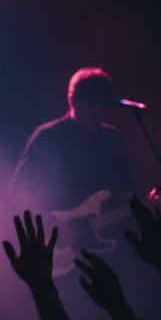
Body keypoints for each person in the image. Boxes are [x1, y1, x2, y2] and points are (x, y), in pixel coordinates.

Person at [10, 67, 135, 213]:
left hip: (105, 231)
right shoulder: (48, 136)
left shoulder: (113, 138)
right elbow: (19, 191)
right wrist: (51, 222)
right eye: (91, 103)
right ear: (73, 101)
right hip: (58, 231)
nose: (97, 110)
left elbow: (127, 191)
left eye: (102, 104)